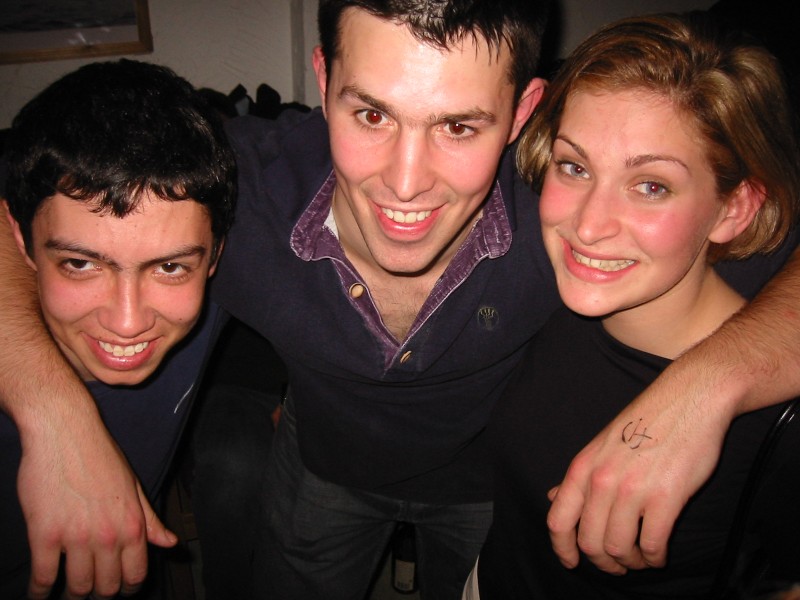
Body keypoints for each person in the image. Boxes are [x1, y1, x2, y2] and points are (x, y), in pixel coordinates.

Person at [0, 0, 799, 598]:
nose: (406, 181)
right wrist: (51, 411)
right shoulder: (224, 185)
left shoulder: (573, 210)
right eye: (371, 113)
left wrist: (706, 387)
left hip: (488, 488)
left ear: (523, 113)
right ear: (324, 81)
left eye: (458, 127)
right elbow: (24, 200)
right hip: (322, 467)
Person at [470, 12, 800, 599]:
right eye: (574, 167)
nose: (588, 226)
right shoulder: (546, 289)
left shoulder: (778, 418)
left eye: (651, 186)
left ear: (734, 209)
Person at [0, 59, 235, 599]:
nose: (128, 322)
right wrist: (54, 414)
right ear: (20, 239)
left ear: (216, 255)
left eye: (170, 267)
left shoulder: (207, 226)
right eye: (80, 264)